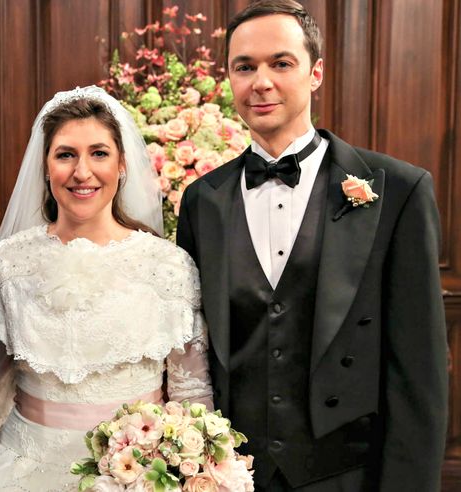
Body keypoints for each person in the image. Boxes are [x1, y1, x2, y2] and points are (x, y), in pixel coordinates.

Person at [177, 1, 448, 490]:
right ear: (229, 79)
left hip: (346, 475)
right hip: (230, 472)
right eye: (245, 67)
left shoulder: (399, 191)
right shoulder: (202, 201)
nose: (261, 82)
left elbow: (419, 374)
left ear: (315, 72)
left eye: (281, 63)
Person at [0, 86, 213, 491]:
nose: (82, 172)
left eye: (99, 153)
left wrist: (197, 469)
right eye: (65, 155)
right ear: (45, 166)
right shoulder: (8, 263)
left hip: (138, 479)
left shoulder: (168, 266)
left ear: (122, 163)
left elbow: (192, 394)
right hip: (21, 470)